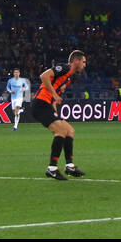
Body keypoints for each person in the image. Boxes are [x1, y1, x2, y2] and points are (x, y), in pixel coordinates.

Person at [33, 51, 88, 180]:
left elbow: (54, 96)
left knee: (70, 130)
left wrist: (55, 111)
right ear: (76, 61)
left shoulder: (68, 78)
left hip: (46, 105)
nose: (85, 65)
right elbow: (44, 76)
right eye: (84, 62)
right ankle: (52, 168)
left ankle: (70, 166)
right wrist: (54, 94)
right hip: (40, 103)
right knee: (61, 131)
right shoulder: (65, 68)